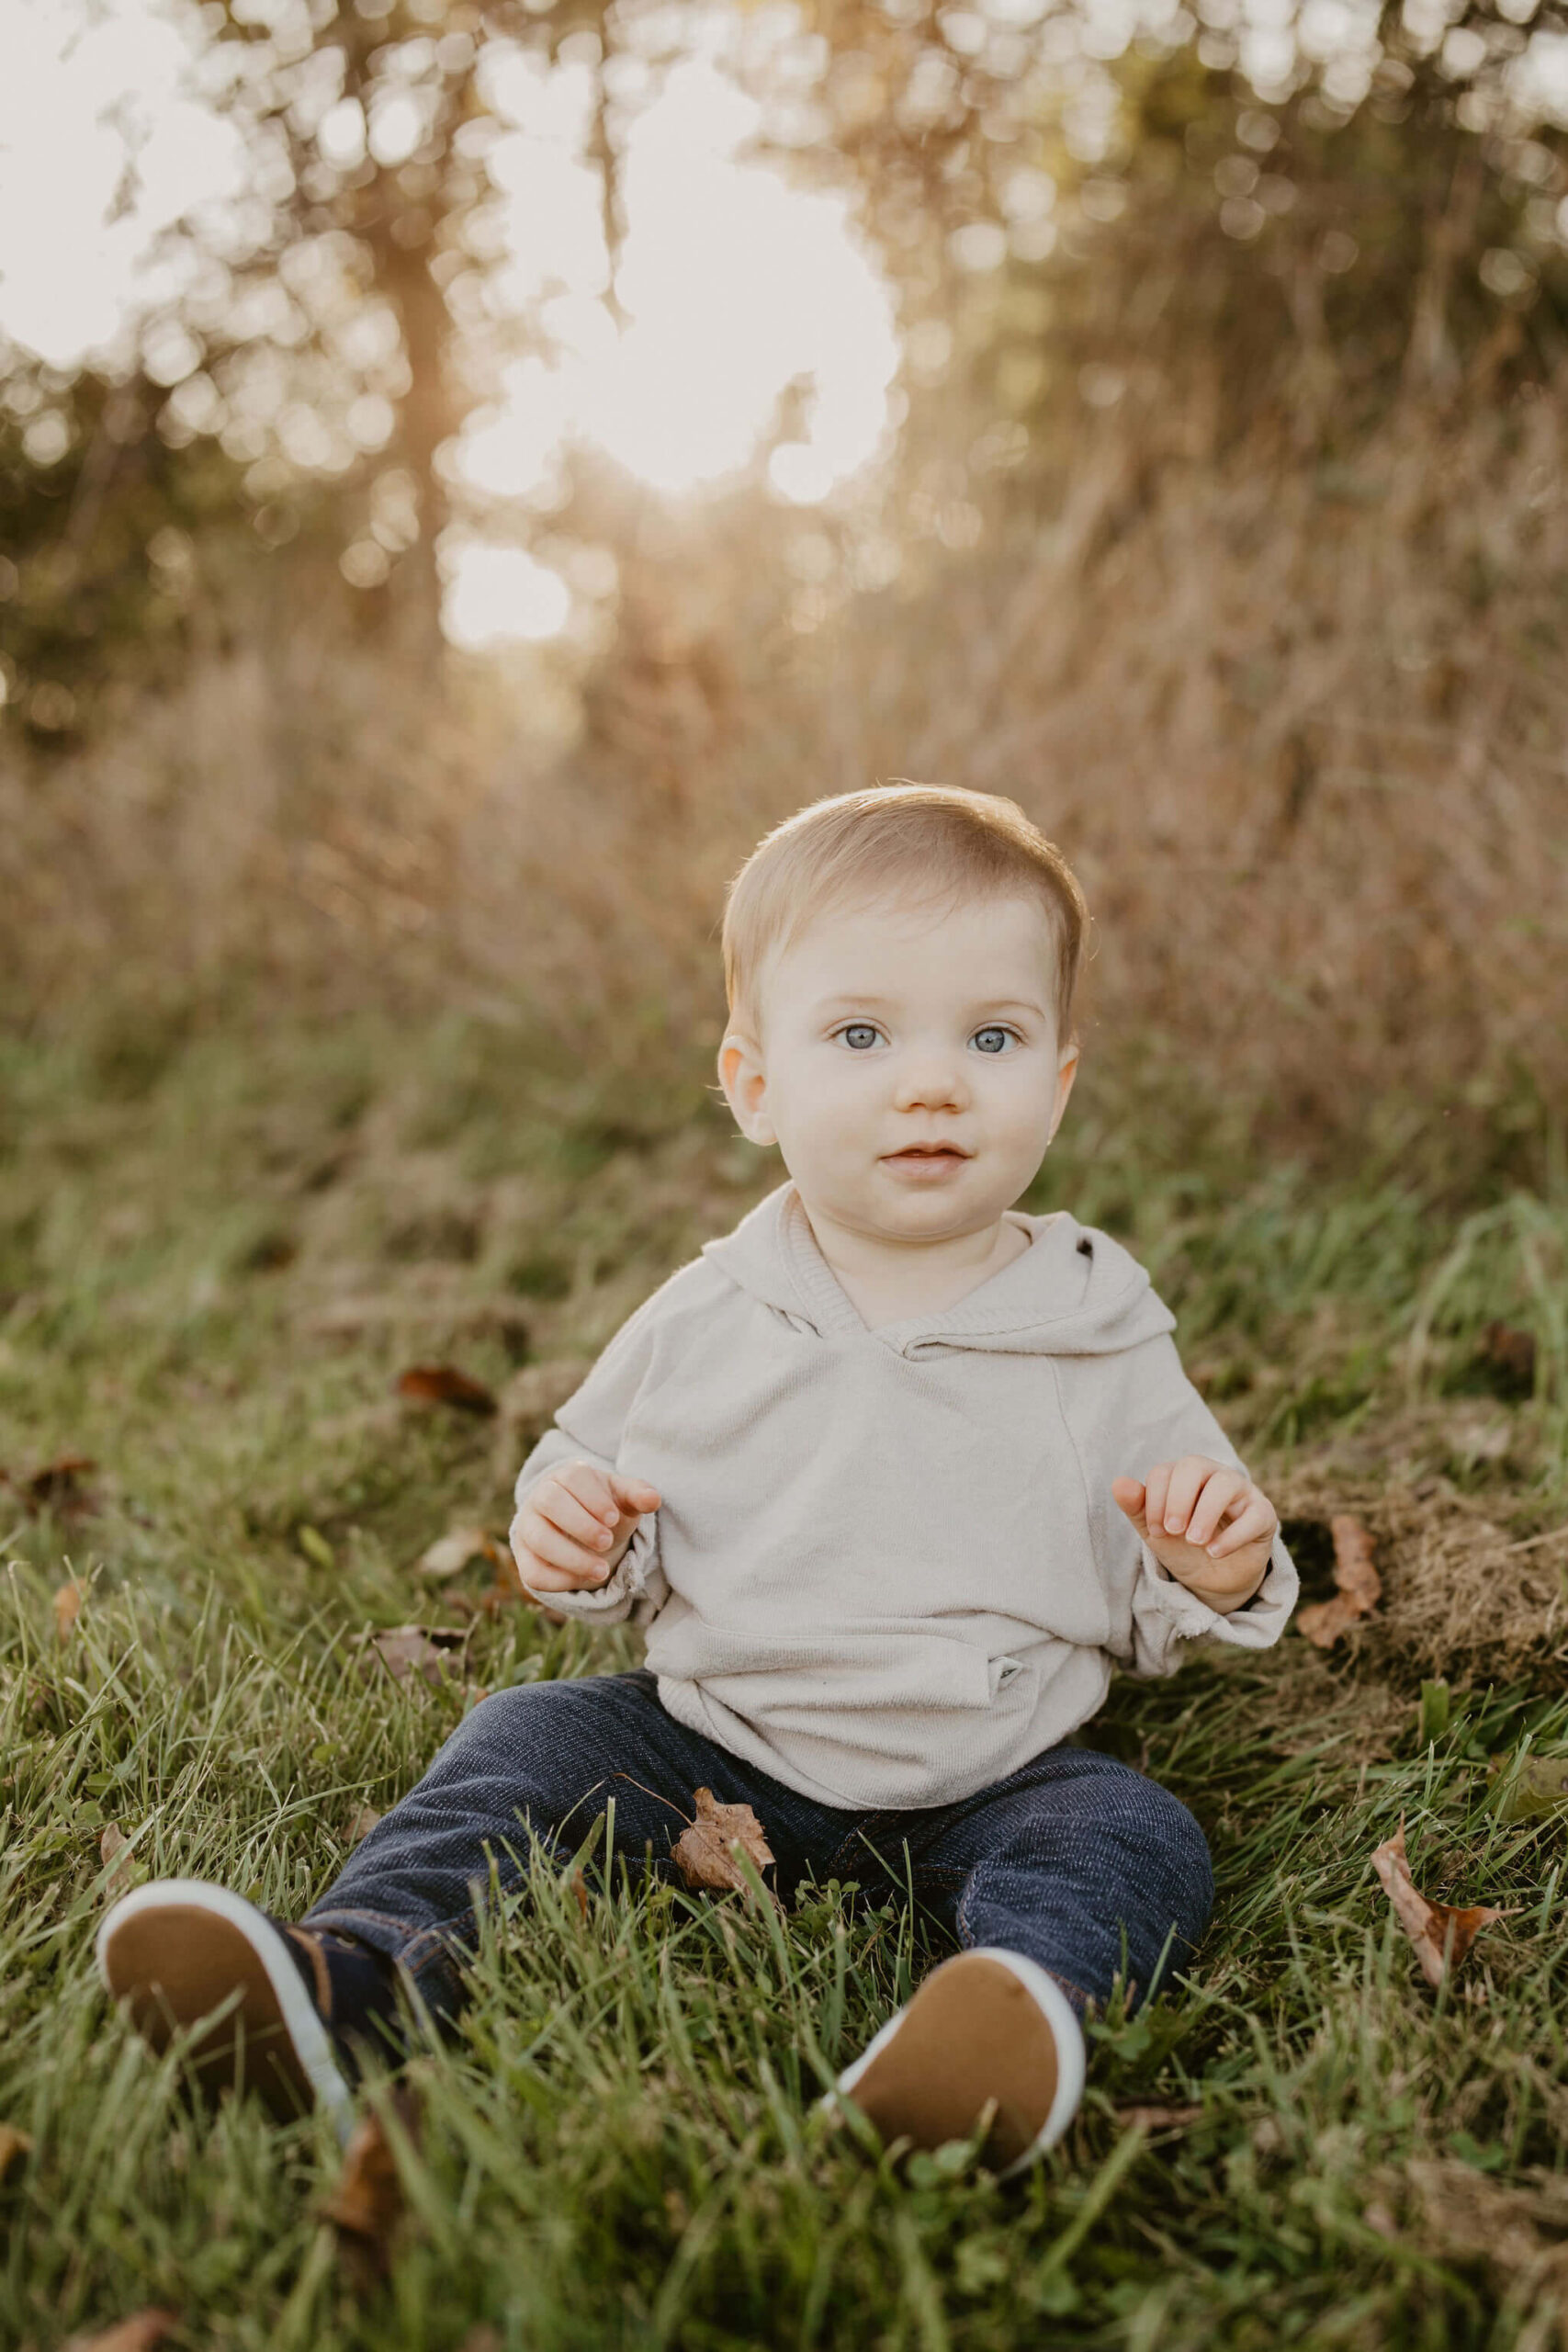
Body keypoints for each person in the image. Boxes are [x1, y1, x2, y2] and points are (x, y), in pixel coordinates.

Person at [98, 784, 1297, 2174]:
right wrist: (575, 1533)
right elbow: (597, 1488)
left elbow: (1178, 1562)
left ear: (1061, 1080)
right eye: (861, 1035)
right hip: (718, 1738)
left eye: (993, 1036)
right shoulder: (712, 1311)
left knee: (1132, 1834)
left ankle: (1013, 2018)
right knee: (526, 1741)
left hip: (1002, 1761)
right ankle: (351, 1976)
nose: (932, 1082)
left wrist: (1217, 1561)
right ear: (754, 1083)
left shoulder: (1098, 1325)